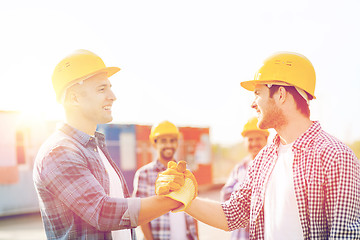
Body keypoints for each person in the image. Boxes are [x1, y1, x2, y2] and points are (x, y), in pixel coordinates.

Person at [155, 52, 360, 239]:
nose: (252, 103)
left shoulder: (335, 156)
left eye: (258, 93)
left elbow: (344, 236)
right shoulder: (264, 158)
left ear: (280, 94)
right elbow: (231, 215)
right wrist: (185, 197)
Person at [33, 50, 184, 240]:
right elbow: (102, 213)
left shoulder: (95, 148)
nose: (113, 96)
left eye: (110, 87)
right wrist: (174, 199)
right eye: (101, 89)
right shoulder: (59, 152)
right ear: (74, 98)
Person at [133, 121, 199, 240]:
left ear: (177, 143)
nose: (168, 145)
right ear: (154, 144)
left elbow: (194, 208)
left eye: (172, 141)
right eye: (163, 141)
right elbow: (140, 214)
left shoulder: (186, 172)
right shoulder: (144, 174)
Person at [220, 117, 268, 240]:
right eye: (250, 139)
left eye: (258, 139)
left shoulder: (273, 165)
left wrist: (242, 200)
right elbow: (225, 196)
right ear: (244, 142)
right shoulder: (239, 168)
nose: (254, 143)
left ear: (266, 139)